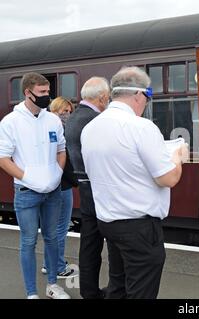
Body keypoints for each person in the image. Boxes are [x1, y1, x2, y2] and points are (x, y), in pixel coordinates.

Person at [81, 67, 186, 299]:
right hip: (139, 227)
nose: (146, 103)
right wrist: (177, 157)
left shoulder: (91, 128)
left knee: (118, 285)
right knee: (141, 290)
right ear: (139, 94)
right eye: (147, 98)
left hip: (109, 222)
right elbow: (167, 178)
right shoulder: (141, 127)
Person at [0, 72, 71, 299]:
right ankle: (31, 292)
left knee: (52, 238)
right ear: (27, 93)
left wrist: (57, 173)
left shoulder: (52, 119)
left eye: (47, 92)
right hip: (26, 192)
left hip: (52, 191)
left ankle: (52, 285)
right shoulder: (11, 122)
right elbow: (3, 158)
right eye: (41, 93)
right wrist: (28, 178)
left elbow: (61, 149)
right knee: (28, 242)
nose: (46, 96)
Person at [65, 77, 110, 299]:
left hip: (85, 187)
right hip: (99, 187)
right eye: (108, 96)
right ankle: (115, 290)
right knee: (115, 240)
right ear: (102, 97)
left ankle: (89, 292)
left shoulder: (74, 117)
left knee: (90, 243)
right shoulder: (95, 120)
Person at [40, 97, 78, 278]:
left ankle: (49, 263)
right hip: (61, 186)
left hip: (49, 184)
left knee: (51, 228)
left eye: (69, 112)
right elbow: (65, 160)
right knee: (60, 228)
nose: (67, 115)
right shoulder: (58, 130)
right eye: (64, 111)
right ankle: (57, 266)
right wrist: (77, 180)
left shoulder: (43, 127)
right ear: (55, 110)